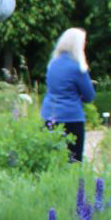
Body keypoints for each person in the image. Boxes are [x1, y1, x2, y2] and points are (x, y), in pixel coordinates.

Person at [40, 27, 95, 164]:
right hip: (71, 117)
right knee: (74, 160)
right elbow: (89, 96)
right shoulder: (77, 67)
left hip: (49, 115)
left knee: (52, 160)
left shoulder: (52, 64)